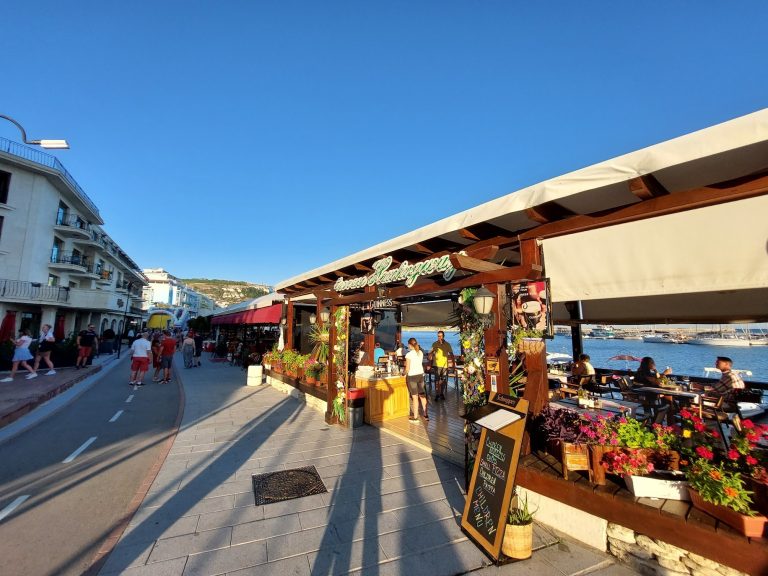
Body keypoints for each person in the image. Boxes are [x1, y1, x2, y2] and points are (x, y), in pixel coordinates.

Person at [405, 337, 428, 422]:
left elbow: (407, 369)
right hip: (420, 375)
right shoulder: (420, 352)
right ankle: (425, 415)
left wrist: (403, 373)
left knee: (415, 397)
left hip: (412, 377)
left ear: (410, 345)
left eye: (408, 344)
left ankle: (415, 417)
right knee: (422, 395)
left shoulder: (409, 354)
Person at [429, 331, 454, 401]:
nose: (439, 337)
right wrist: (429, 362)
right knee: (437, 380)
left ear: (443, 336)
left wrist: (453, 365)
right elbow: (430, 353)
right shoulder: (434, 344)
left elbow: (451, 354)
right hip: (436, 365)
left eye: (441, 336)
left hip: (444, 366)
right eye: (438, 336)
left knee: (443, 380)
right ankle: (437, 394)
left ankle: (441, 393)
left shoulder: (447, 344)